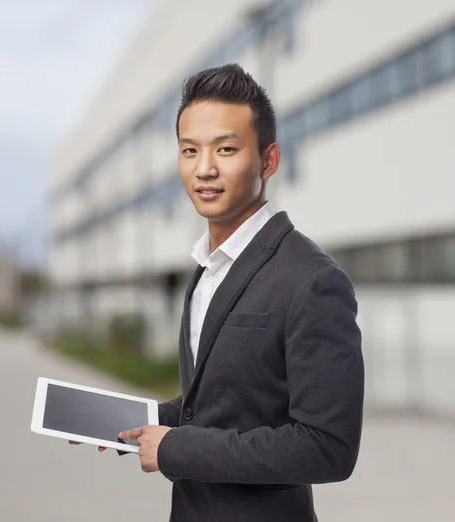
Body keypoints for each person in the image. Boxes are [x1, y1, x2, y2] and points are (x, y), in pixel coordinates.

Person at [77, 63, 365, 521]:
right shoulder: (207, 270)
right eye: (189, 150)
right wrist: (134, 419)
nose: (204, 168)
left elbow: (328, 447)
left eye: (226, 149)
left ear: (268, 160)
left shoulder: (312, 280)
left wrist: (178, 449)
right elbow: (219, 406)